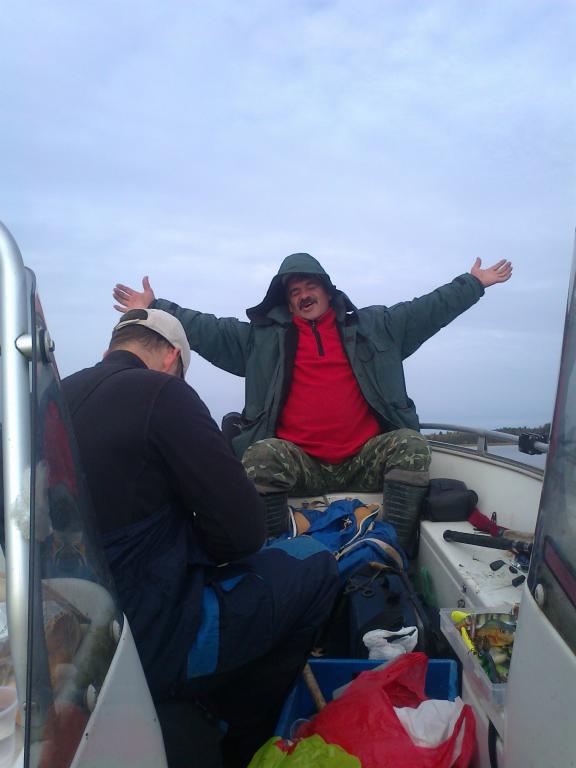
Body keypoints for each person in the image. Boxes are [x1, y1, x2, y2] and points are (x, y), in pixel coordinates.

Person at [61, 308, 340, 768]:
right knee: (314, 563)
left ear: (114, 346)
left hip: (70, 642)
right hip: (151, 642)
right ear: (173, 357)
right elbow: (244, 534)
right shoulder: (162, 392)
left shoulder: (50, 402)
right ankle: (239, 739)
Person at [113, 254, 512, 549]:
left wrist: (473, 283)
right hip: (302, 465)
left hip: (363, 460)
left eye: (310, 287)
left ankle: (395, 547)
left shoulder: (379, 327)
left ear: (327, 290)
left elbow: (429, 309)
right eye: (294, 292)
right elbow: (206, 328)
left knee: (411, 446)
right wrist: (155, 307)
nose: (304, 296)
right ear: (287, 304)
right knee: (261, 456)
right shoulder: (259, 340)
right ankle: (274, 551)